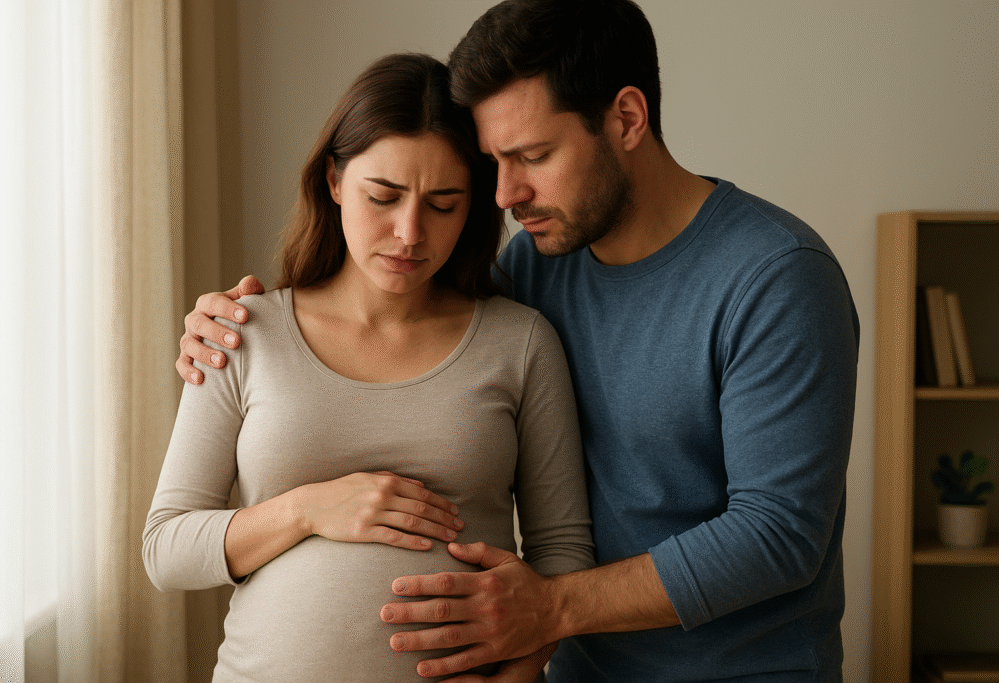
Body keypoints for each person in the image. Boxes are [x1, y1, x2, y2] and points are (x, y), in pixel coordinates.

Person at [178, 1, 860, 681]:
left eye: (532, 155)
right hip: (578, 672)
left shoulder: (777, 277)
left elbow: (778, 534)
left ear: (626, 119)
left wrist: (551, 609)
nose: (504, 194)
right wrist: (226, 323)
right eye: (494, 161)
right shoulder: (537, 267)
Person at [145, 52, 595, 683]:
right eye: (383, 196)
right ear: (333, 181)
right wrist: (307, 508)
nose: (409, 233)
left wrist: (520, 670)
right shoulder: (242, 333)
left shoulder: (519, 342)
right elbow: (166, 549)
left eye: (443, 204)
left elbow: (563, 555)